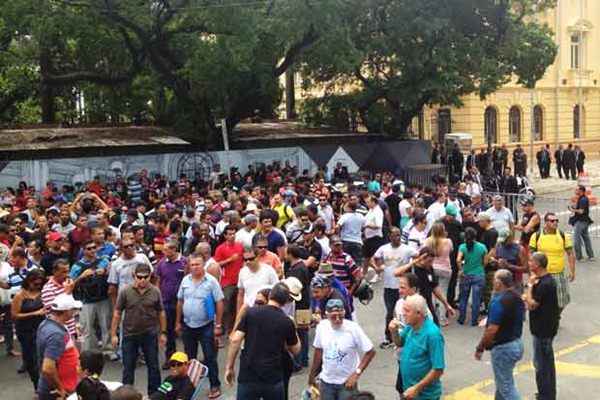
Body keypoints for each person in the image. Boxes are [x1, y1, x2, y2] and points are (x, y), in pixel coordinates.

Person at [225, 282, 300, 400]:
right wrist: (294, 328)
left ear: (270, 296)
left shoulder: (251, 313)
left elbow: (235, 340)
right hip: (273, 377)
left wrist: (229, 367)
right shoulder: (286, 321)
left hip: (248, 375)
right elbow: (295, 350)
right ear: (285, 302)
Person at [111, 263, 167, 395]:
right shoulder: (125, 291)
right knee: (128, 368)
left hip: (150, 334)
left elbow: (161, 312)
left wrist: (163, 333)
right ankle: (126, 396)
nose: (142, 280)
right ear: (133, 276)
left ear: (149, 277)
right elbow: (117, 312)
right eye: (139, 277)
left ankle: (154, 395)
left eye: (145, 277)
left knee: (153, 366)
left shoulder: (155, 291)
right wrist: (113, 334)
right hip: (130, 335)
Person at [308, 298, 376, 400]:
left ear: (344, 312)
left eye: (341, 316)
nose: (338, 319)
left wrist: (356, 373)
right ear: (326, 315)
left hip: (347, 384)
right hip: (326, 382)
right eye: (333, 317)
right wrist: (312, 374)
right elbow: (318, 351)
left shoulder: (353, 328)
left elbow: (370, 351)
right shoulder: (322, 327)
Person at [175, 254, 223, 398]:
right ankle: (189, 386)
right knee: (190, 358)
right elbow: (180, 301)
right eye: (192, 264)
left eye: (198, 264)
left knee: (209, 357)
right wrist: (178, 322)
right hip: (188, 325)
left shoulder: (211, 282)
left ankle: (215, 385)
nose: (195, 267)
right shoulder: (185, 280)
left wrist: (218, 325)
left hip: (206, 326)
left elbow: (219, 303)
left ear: (203, 265)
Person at [475, 269, 525, 400]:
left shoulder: (499, 301)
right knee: (503, 381)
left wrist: (480, 347)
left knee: (506, 387)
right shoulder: (516, 296)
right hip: (517, 343)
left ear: (499, 283)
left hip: (504, 348)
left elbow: (491, 329)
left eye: (494, 280)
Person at [522, 252, 560, 400]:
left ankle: (545, 395)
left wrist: (530, 286)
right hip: (546, 328)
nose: (529, 263)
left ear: (537, 265)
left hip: (543, 330)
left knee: (542, 365)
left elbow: (532, 304)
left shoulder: (543, 284)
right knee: (547, 363)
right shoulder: (544, 280)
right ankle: (548, 393)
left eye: (531, 261)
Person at [373, 227, 417, 347]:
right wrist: (378, 267)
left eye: (399, 235)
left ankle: (408, 334)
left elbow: (418, 256)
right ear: (390, 236)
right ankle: (389, 337)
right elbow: (375, 258)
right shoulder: (384, 249)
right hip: (389, 286)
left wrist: (411, 270)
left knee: (406, 311)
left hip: (403, 287)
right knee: (390, 312)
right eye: (395, 235)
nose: (397, 238)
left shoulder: (407, 249)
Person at [397, 294, 445, 400]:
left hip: (425, 396)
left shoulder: (433, 335)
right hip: (409, 391)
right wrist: (393, 331)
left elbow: (438, 369)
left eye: (407, 311)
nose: (403, 314)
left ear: (419, 314)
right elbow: (399, 343)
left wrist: (417, 388)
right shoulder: (411, 326)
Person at [394, 246, 455, 326]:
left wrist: (446, 304)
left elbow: (434, 287)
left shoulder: (429, 268)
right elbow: (396, 273)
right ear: (422, 258)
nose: (431, 263)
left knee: (434, 325)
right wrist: (415, 261)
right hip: (414, 305)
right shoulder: (412, 268)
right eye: (429, 261)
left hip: (427, 303)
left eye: (432, 261)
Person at [36, 293, 82, 400]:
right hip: (56, 391)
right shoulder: (56, 334)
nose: (74, 312)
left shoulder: (46, 324)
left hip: (59, 385)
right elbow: (48, 368)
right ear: (66, 312)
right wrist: (61, 389)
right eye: (73, 310)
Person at [70, 239, 111, 352]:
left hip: (103, 298)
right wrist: (82, 276)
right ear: (83, 250)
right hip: (86, 300)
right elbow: (70, 285)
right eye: (89, 248)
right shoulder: (77, 266)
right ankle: (88, 351)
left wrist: (106, 271)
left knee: (106, 325)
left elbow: (112, 273)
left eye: (94, 247)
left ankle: (108, 349)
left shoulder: (104, 261)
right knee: (86, 328)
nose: (93, 250)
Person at [529, 212, 575, 312]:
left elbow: (570, 253)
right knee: (540, 300)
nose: (555, 223)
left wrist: (572, 271)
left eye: (556, 221)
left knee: (562, 300)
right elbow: (531, 255)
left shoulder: (563, 235)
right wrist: (532, 272)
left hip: (558, 274)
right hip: (541, 274)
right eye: (552, 221)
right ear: (545, 223)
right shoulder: (536, 236)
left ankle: (556, 316)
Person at [11, 268, 45, 390]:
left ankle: (45, 384)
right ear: (28, 281)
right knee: (31, 360)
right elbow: (14, 315)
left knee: (43, 358)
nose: (37, 286)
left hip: (40, 329)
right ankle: (37, 386)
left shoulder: (42, 292)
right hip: (25, 331)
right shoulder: (20, 295)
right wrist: (35, 313)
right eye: (35, 283)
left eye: (39, 284)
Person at [155, 239, 188, 367]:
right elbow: (158, 279)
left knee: (185, 331)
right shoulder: (162, 263)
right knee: (169, 331)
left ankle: (187, 358)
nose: (164, 252)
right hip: (167, 302)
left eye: (166, 249)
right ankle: (170, 358)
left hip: (183, 302)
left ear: (174, 249)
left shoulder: (184, 262)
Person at [214, 225, 244, 337]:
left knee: (236, 307)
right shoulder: (220, 248)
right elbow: (217, 264)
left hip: (239, 281)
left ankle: (233, 329)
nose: (232, 236)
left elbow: (244, 259)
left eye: (233, 233)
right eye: (230, 234)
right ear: (225, 235)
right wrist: (230, 260)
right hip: (227, 282)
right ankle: (222, 327)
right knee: (226, 307)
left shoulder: (240, 246)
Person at [456, 227, 487, 326]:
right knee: (476, 299)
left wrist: (461, 269)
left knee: (463, 298)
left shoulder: (462, 247)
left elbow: (458, 260)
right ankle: (474, 320)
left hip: (466, 274)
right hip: (479, 274)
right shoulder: (482, 247)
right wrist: (482, 266)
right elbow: (485, 261)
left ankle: (461, 318)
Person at [41, 259, 77, 338]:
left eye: (68, 271)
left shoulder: (66, 284)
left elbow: (70, 308)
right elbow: (55, 312)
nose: (67, 275)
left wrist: (74, 328)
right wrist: (67, 292)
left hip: (70, 330)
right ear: (55, 272)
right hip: (58, 332)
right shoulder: (48, 289)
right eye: (64, 272)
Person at [569, 185, 594, 262]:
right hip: (584, 221)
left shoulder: (583, 199)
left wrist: (573, 210)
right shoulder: (581, 198)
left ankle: (579, 257)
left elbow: (581, 211)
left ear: (581, 191)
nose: (575, 190)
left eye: (577, 189)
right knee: (586, 238)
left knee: (577, 240)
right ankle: (591, 256)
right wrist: (574, 207)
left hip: (581, 221)